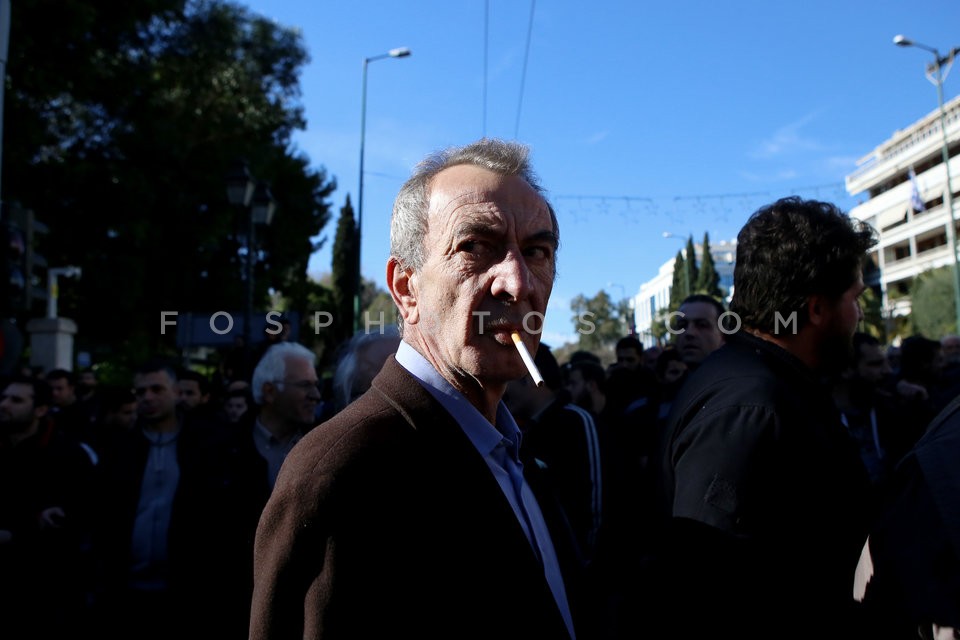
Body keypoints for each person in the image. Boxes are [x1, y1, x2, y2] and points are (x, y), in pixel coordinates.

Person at [250, 138, 582, 639]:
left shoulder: (521, 455)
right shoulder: (344, 472)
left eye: (537, 251)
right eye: (475, 247)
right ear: (405, 288)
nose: (518, 283)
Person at [653, 197, 877, 638]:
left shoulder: (769, 387)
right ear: (816, 309)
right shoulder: (750, 407)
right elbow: (705, 590)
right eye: (855, 297)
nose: (860, 315)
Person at [0, 375, 98, 639]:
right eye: (4, 397)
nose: (4, 404)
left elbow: (75, 518)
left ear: (41, 409)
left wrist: (21, 531)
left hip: (46, 588)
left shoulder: (68, 456)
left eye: (16, 400)